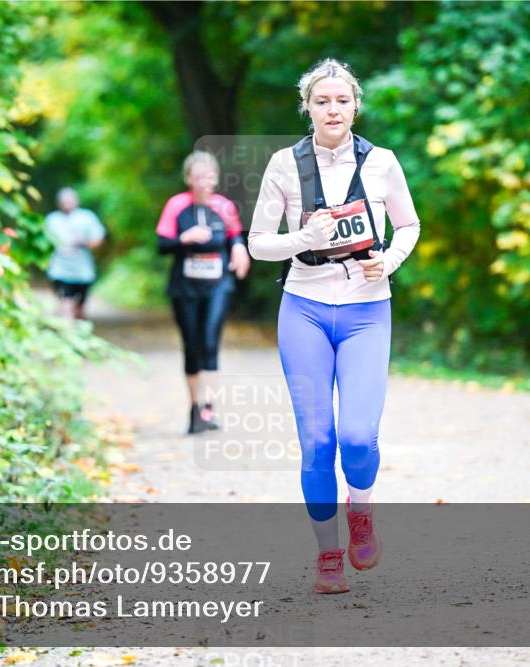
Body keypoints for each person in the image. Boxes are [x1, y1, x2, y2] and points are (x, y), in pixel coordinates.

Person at [248, 59, 421, 594]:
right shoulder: (284, 163)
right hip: (303, 305)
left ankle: (361, 511)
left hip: (368, 308)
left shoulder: (382, 162)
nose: (332, 109)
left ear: (355, 106)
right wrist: (304, 238)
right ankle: (328, 555)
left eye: (341, 101)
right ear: (308, 107)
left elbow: (409, 224)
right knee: (318, 440)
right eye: (322, 101)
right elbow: (257, 243)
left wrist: (387, 260)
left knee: (357, 437)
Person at [156, 151, 251, 434]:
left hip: (217, 284)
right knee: (193, 345)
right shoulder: (177, 206)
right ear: (188, 179)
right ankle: (195, 408)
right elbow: (162, 244)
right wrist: (183, 239)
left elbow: (235, 234)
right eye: (198, 178)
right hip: (184, 287)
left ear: (216, 178)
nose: (204, 183)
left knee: (210, 342)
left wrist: (238, 247)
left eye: (209, 177)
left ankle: (209, 408)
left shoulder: (224, 206)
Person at [44, 187, 106, 320]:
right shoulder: (51, 220)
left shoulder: (87, 217)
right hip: (59, 269)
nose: (67, 203)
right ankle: (67, 330)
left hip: (83, 271)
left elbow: (99, 239)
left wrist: (83, 242)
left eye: (69, 200)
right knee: (66, 302)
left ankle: (79, 330)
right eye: (63, 201)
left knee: (80, 308)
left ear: (76, 201)